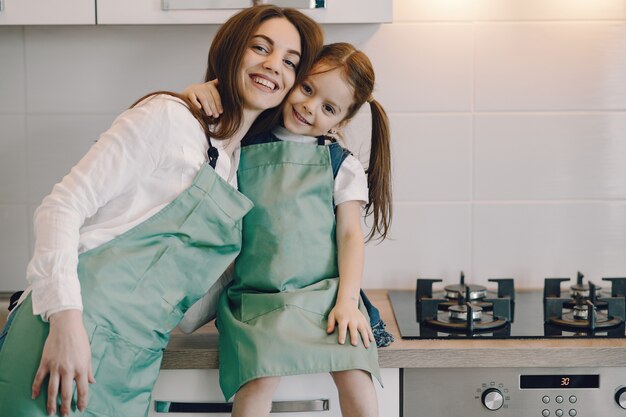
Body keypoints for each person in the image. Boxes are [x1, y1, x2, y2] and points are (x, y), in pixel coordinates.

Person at [0, 5, 323, 417]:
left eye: (290, 62)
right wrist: (66, 324)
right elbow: (61, 207)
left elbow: (187, 315)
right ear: (231, 51)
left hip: (134, 360)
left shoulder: (232, 169)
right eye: (260, 47)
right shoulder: (170, 118)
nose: (273, 65)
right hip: (68, 335)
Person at [183, 42, 392, 417]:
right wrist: (194, 97)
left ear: (340, 121)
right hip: (257, 299)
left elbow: (349, 236)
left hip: (325, 297)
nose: (310, 107)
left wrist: (347, 302)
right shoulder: (239, 144)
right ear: (293, 78)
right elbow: (196, 136)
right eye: (308, 89)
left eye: (328, 108)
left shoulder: (340, 165)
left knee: (355, 377)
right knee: (258, 380)